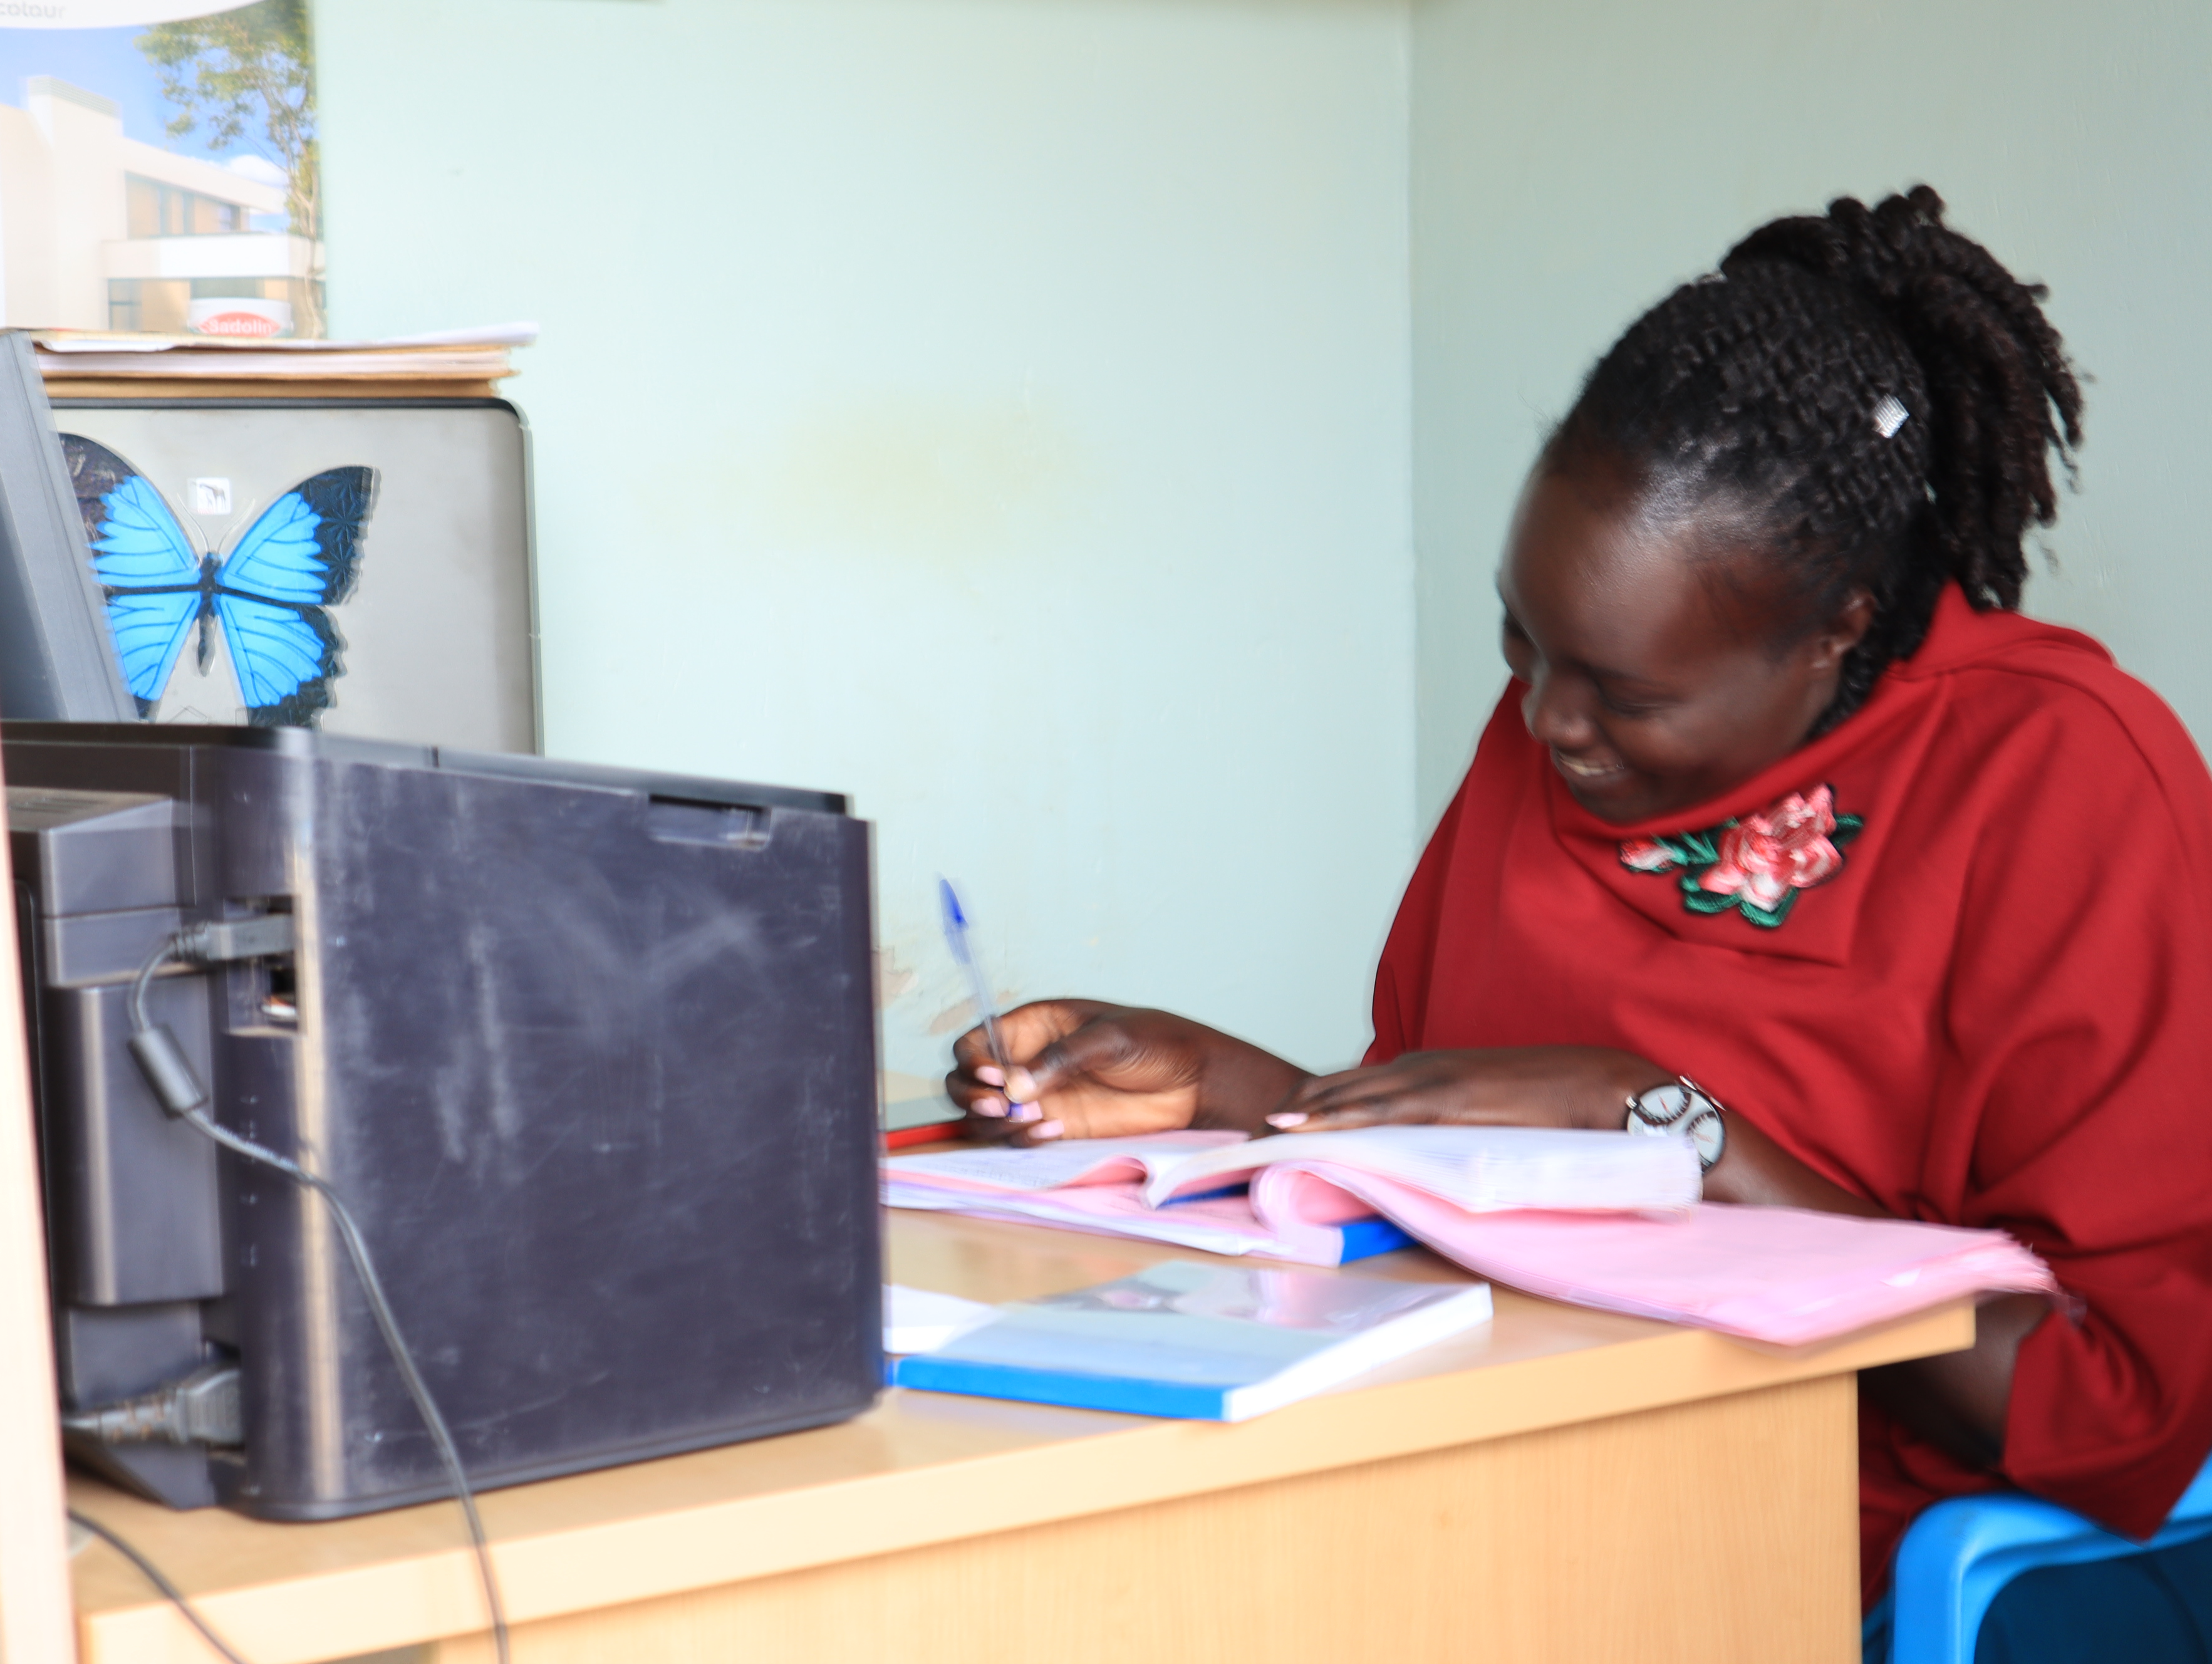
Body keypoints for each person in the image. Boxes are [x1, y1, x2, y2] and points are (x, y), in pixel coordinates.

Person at [945, 187, 2212, 1657]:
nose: (1546, 717)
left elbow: (2117, 1405)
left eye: (1628, 690)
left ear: (1837, 627)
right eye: (1521, 639)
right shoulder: (1566, 723)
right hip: (1479, 1481)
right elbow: (1477, 1163)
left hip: (1812, 1550)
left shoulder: (2064, 780)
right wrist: (1226, 1089)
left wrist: (1665, 1122)